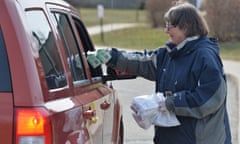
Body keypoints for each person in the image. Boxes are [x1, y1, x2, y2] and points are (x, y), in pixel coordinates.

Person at [94, 2, 232, 144]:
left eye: (170, 26)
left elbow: (210, 98)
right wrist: (113, 57)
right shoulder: (168, 53)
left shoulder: (205, 56)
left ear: (186, 27)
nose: (166, 30)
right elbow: (143, 62)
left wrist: (171, 102)